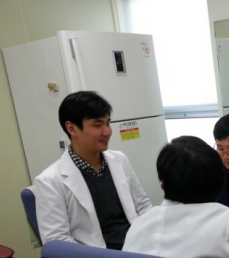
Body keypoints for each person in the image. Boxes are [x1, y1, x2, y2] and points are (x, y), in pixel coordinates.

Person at [35, 91, 152, 249]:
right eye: (98, 125)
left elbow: (143, 206)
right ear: (72, 128)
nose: (108, 132)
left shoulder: (119, 160)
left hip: (138, 245)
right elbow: (56, 241)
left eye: (108, 123)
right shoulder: (49, 181)